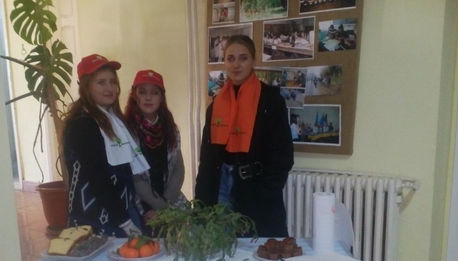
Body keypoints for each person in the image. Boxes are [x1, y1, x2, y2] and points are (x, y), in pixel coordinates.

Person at [195, 35, 294, 237]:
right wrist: (200, 201)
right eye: (230, 58)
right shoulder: (216, 104)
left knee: (257, 246)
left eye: (243, 58)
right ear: (224, 62)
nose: (236, 65)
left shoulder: (271, 101)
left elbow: (283, 154)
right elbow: (207, 158)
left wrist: (268, 190)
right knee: (221, 244)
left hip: (256, 190)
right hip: (220, 186)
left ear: (253, 61)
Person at [63, 54, 149, 237]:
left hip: (121, 210)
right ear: (86, 87)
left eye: (112, 81)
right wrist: (125, 221)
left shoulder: (113, 119)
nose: (110, 88)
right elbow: (97, 176)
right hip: (95, 218)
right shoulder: (82, 123)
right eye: (101, 82)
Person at [124, 69, 186, 220]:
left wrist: (165, 207)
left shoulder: (170, 128)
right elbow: (135, 177)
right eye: (142, 92)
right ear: (134, 96)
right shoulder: (126, 130)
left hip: (170, 202)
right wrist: (158, 208)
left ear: (161, 97)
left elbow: (178, 170)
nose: (148, 97)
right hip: (140, 205)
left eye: (155, 93)